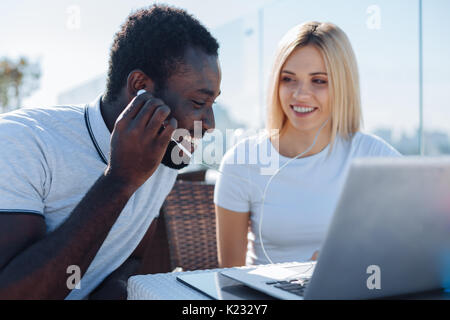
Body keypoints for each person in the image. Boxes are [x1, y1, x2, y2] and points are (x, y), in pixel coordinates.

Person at [0, 5, 221, 300]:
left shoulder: (163, 154)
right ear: (140, 87)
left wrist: (115, 290)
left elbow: (129, 258)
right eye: (197, 102)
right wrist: (120, 179)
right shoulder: (23, 141)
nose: (210, 125)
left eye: (212, 104)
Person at [214, 21, 401, 268]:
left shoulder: (374, 156)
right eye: (288, 79)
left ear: (342, 86)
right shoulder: (242, 162)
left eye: (319, 81)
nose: (300, 94)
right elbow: (230, 277)